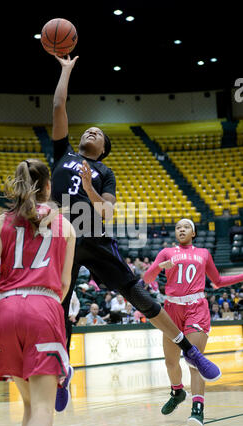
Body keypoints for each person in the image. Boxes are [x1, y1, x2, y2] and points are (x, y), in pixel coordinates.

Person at [50, 54, 222, 387]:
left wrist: (89, 188)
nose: (91, 131)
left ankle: (190, 350)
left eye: (98, 133)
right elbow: (58, 106)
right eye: (89, 129)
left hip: (93, 233)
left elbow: (108, 212)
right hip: (61, 235)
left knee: (135, 292)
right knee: (60, 300)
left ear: (103, 149)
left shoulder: (105, 172)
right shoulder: (64, 154)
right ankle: (63, 373)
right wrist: (66, 70)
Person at [0, 158, 76, 426]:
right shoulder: (66, 226)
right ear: (48, 186)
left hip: (6, 308)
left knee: (30, 405)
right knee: (45, 408)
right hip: (44, 306)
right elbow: (65, 283)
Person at [144, 218, 243, 426]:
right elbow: (147, 277)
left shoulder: (204, 254)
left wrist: (241, 276)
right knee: (170, 362)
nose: (181, 229)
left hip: (195, 307)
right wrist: (160, 267)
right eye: (178, 227)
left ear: (194, 232)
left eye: (186, 227)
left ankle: (197, 410)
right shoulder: (166, 253)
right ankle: (177, 392)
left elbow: (217, 281)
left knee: (194, 360)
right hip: (171, 309)